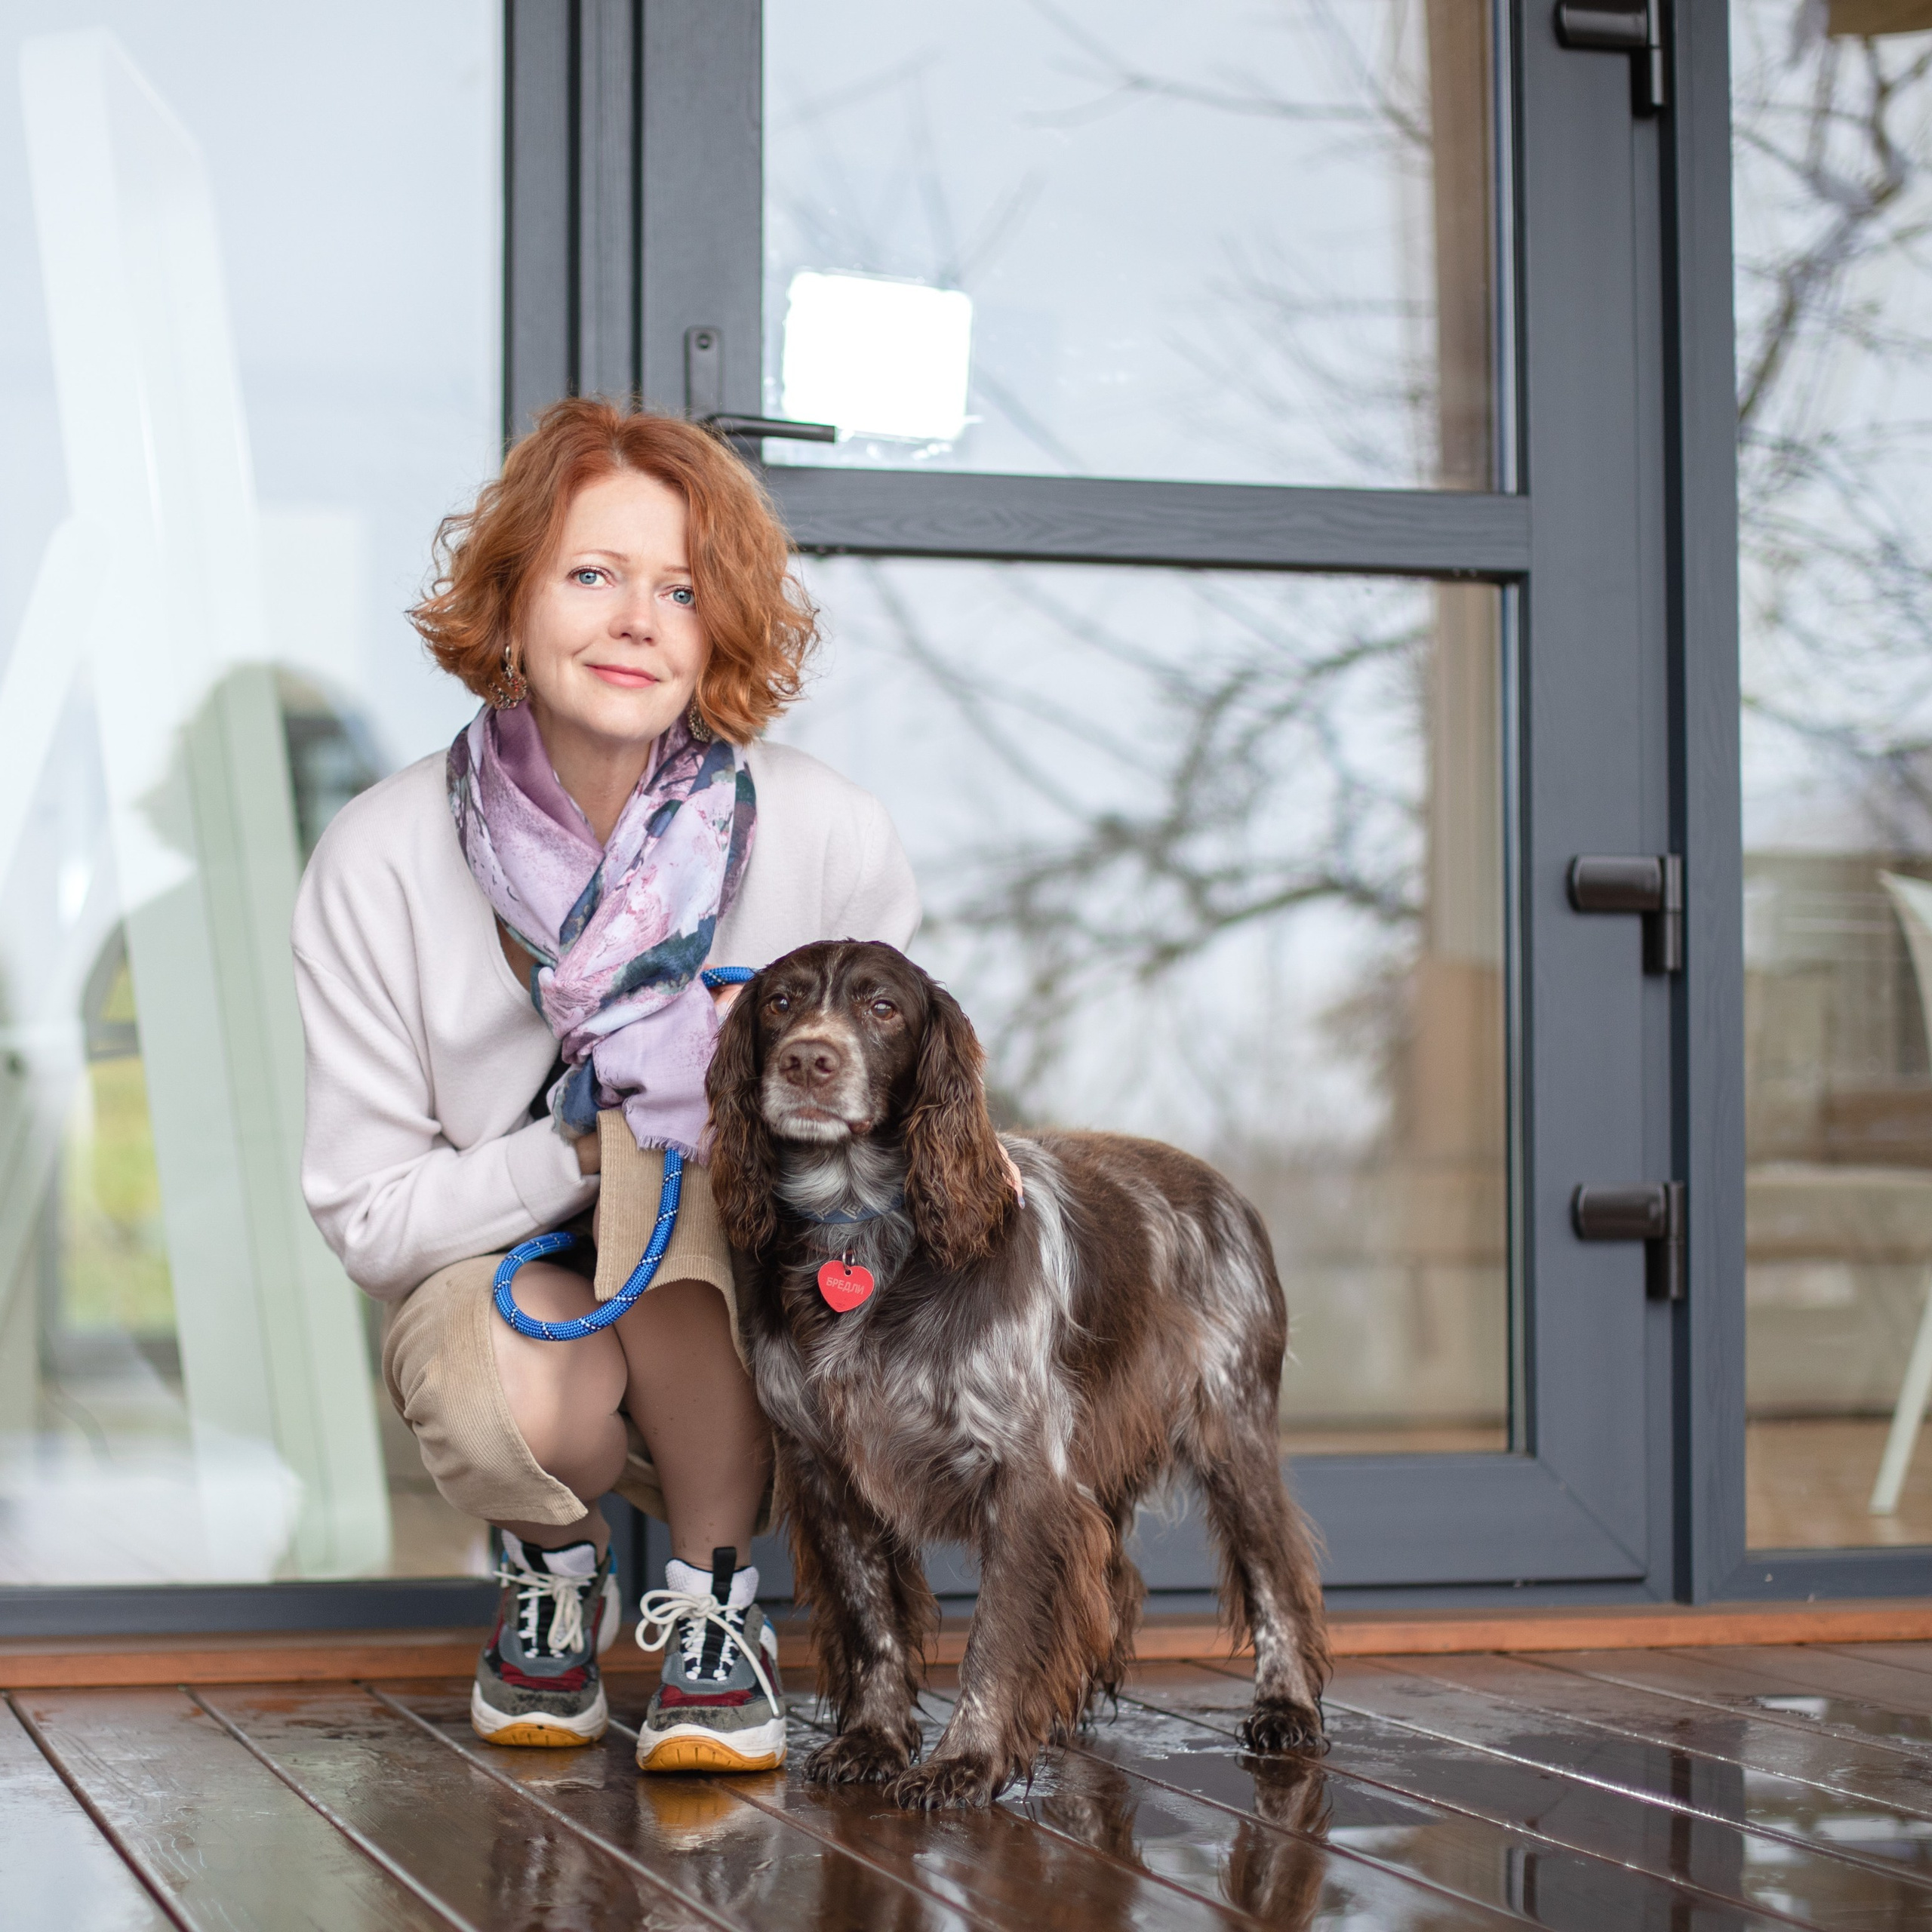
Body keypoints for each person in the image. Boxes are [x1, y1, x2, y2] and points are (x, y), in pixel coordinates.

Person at [291, 398, 918, 1770]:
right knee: (585, 1238)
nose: (638, 620)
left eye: (681, 590)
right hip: (508, 1291)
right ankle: (555, 1569)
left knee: (679, 1148)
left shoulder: (824, 832)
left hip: (745, 1289)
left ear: (720, 630)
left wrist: (670, 1135)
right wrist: (567, 1158)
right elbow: (367, 1216)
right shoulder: (381, 855)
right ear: (510, 604)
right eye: (592, 575)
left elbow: (898, 1131)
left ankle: (712, 1603)